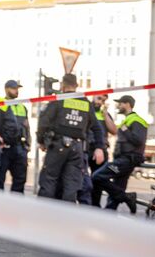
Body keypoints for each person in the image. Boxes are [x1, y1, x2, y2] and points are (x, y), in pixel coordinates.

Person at [36, 74, 104, 202]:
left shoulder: (59, 99)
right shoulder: (85, 103)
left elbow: (44, 122)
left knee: (49, 180)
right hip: (77, 148)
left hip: (58, 145)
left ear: (62, 85)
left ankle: (44, 211)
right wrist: (99, 147)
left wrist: (41, 141)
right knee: (71, 184)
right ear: (76, 85)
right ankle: (67, 212)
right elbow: (96, 127)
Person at [91, 95, 145, 213]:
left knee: (98, 176)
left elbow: (138, 140)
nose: (118, 106)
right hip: (122, 160)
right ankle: (109, 213)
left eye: (120, 103)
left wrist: (124, 129)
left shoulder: (136, 120)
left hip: (126, 160)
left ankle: (127, 197)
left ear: (127, 104)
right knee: (117, 188)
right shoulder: (126, 120)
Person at [0, 80, 30, 193]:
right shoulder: (0, 105)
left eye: (17, 89)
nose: (16, 91)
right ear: (6, 89)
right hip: (4, 147)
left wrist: (28, 144)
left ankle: (16, 201)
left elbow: (27, 127)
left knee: (20, 179)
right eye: (14, 88)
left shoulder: (22, 107)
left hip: (19, 147)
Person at [89, 94, 117, 207]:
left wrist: (105, 115)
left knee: (98, 181)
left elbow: (114, 131)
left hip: (100, 150)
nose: (100, 102)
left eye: (103, 100)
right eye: (99, 98)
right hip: (86, 149)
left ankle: (95, 206)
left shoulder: (104, 114)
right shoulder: (86, 109)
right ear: (93, 96)